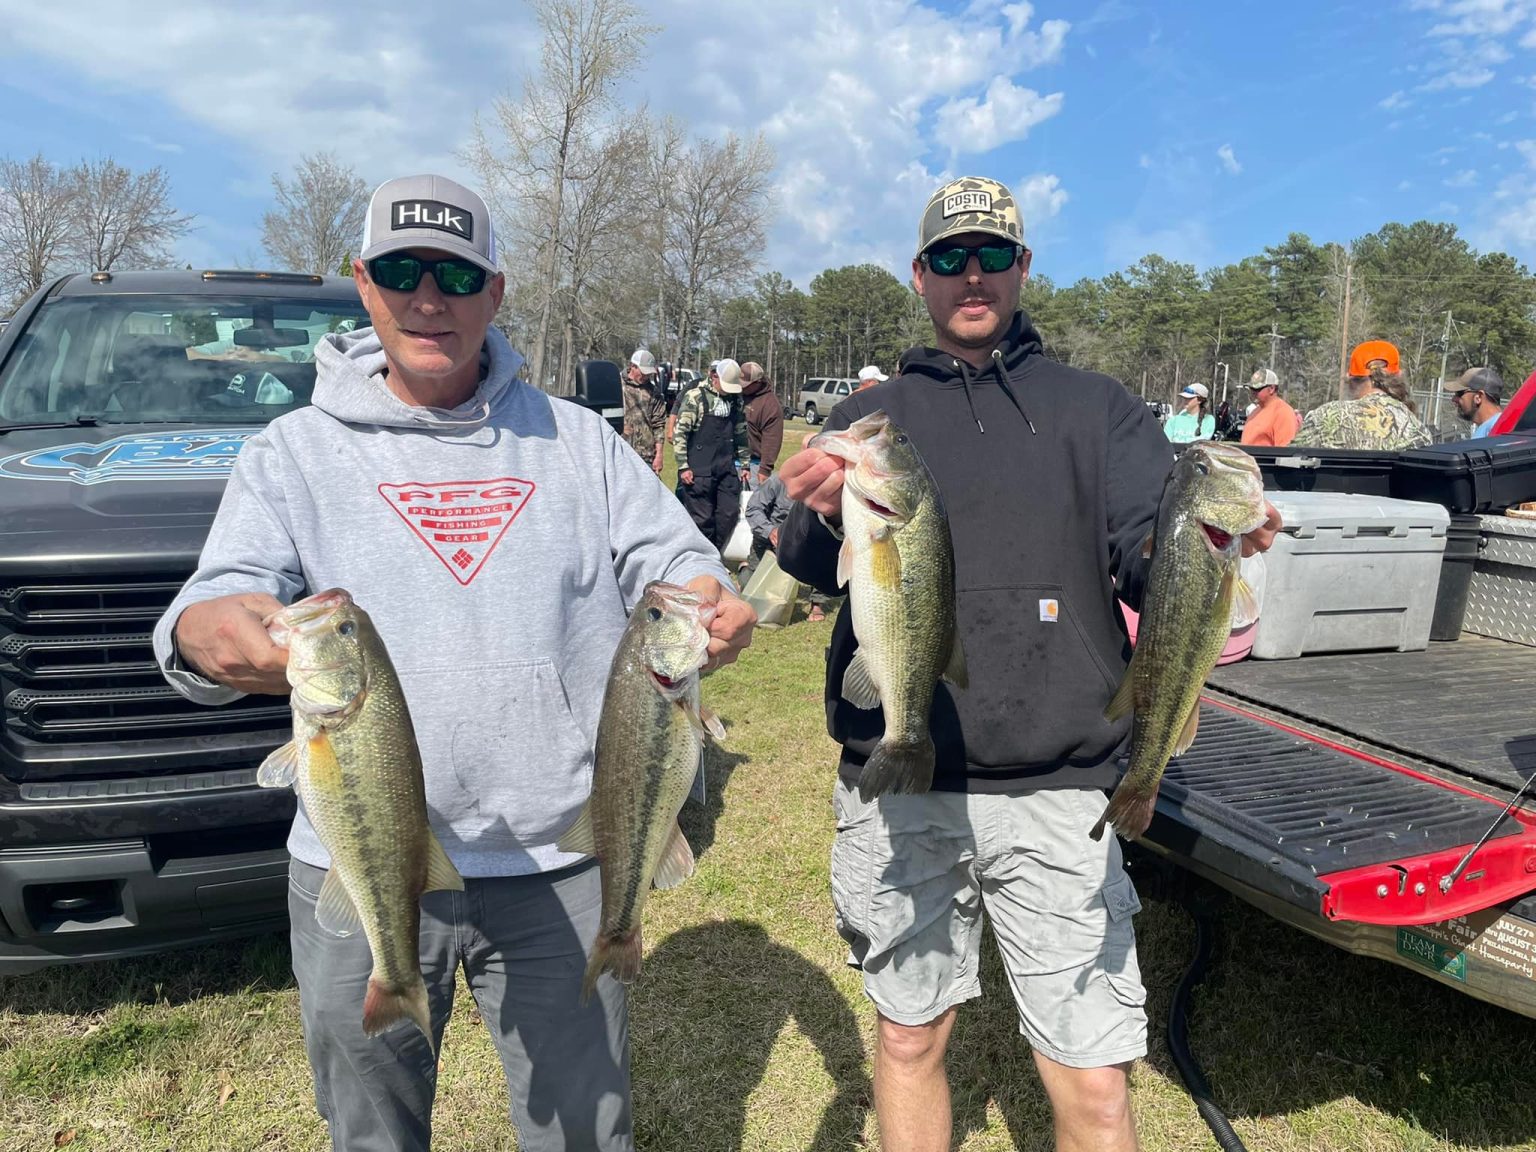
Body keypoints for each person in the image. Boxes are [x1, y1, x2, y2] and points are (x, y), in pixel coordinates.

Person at [151, 173, 755, 1152]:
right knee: (371, 1134)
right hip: (359, 859)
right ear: (364, 282)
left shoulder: (581, 443)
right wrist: (218, 637)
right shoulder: (291, 453)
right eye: (401, 270)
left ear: (494, 292)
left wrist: (709, 600)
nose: (428, 297)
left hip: (564, 860)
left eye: (454, 274)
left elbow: (679, 564)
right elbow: (203, 613)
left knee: (587, 1135)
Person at [777, 175, 1279, 1152]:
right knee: (912, 1037)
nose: (974, 275)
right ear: (919, 275)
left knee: (1093, 1084)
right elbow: (806, 571)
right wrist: (814, 508)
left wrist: (1211, 551)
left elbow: (1151, 555)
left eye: (993, 255)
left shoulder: (1100, 413)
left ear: (1022, 268)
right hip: (901, 785)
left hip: (1060, 786)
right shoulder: (872, 418)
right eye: (953, 258)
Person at [1293, 339, 1432, 450]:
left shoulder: (1324, 417)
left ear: (1350, 378)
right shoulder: (1416, 429)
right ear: (1399, 376)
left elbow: (1289, 461)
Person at [674, 357, 749, 551]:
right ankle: (702, 557)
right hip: (699, 468)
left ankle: (715, 552)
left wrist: (745, 463)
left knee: (729, 513)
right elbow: (680, 433)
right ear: (715, 377)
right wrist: (683, 466)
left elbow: (741, 432)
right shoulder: (695, 397)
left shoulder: (735, 400)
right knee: (702, 518)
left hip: (725, 466)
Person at [621, 348, 667, 473]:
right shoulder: (616, 386)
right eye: (643, 372)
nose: (646, 376)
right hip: (620, 452)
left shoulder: (654, 392)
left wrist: (659, 455)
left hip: (646, 455)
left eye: (648, 374)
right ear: (632, 366)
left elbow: (659, 424)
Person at [740, 360, 785, 490]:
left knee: (750, 506)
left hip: (754, 466)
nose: (742, 387)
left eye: (746, 385)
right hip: (728, 462)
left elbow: (772, 440)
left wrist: (764, 470)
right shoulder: (737, 394)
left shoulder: (770, 405)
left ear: (758, 382)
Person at [1239, 368, 1300, 447]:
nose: (1253, 392)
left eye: (1257, 389)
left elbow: (1284, 452)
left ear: (1271, 388)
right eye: (1251, 388)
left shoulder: (1283, 412)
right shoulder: (1255, 411)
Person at [1449, 366, 1505, 438]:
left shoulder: (1496, 430)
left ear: (1478, 397)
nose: (1454, 399)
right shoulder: (1493, 427)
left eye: (1459, 393)